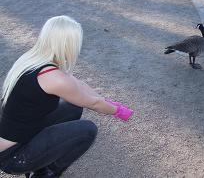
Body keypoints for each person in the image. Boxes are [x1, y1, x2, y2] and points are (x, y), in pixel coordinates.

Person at [0, 16, 133, 178]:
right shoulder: (54, 78)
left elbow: (78, 85)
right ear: (68, 44)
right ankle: (45, 174)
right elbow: (94, 103)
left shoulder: (33, 59)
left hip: (17, 136)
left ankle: (41, 164)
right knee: (87, 130)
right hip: (11, 156)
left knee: (72, 107)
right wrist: (118, 111)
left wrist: (105, 100)